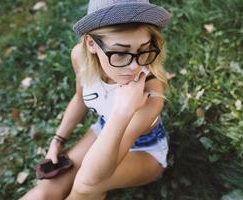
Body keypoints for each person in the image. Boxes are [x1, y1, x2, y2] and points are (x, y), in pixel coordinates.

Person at [21, 0, 171, 199]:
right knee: (46, 189)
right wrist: (57, 140)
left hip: (146, 151)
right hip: (103, 129)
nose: (134, 67)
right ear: (91, 44)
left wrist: (122, 111)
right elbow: (79, 98)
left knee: (85, 185)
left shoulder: (151, 93)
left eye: (143, 50)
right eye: (120, 53)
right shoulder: (80, 57)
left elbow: (93, 177)